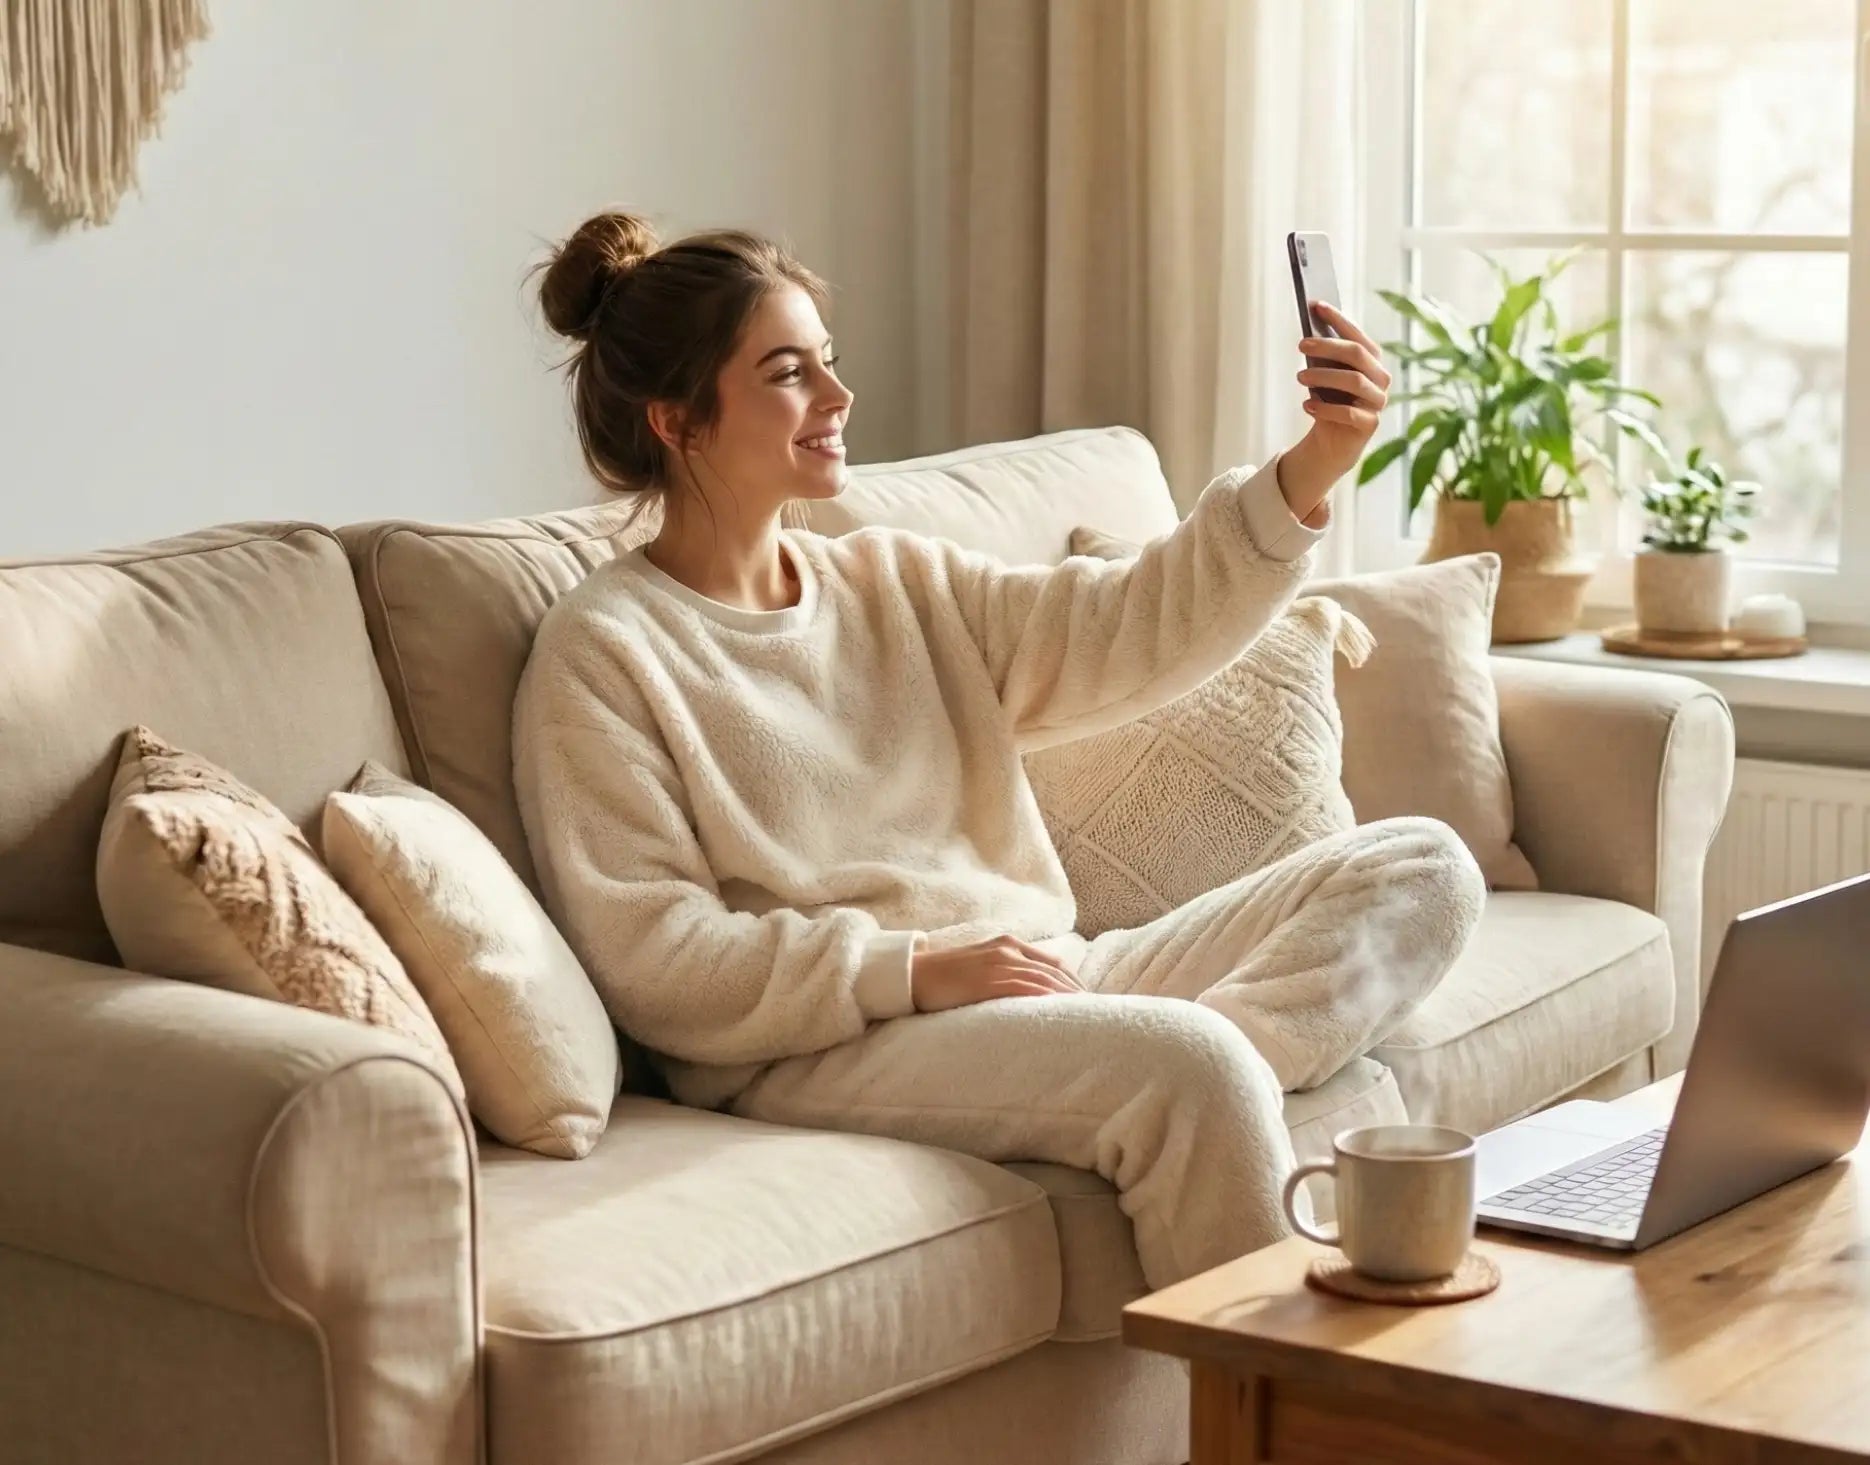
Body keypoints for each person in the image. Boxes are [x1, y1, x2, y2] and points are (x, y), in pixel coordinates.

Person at [513, 210, 1485, 1291]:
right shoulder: (604, 652)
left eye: (828, 365)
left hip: (1042, 975)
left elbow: (1131, 621)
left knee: (1421, 870)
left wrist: (1314, 464)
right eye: (790, 374)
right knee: (1190, 1067)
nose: (837, 401)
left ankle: (1165, 1095)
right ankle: (1256, 1357)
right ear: (678, 419)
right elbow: (659, 960)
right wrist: (917, 971)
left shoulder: (894, 581)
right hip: (823, 1045)